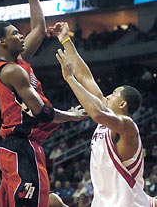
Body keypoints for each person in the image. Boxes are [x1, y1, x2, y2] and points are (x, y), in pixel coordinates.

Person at [0, 0, 86, 207]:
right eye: (15, 33)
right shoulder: (10, 71)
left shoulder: (18, 62)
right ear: (2, 42)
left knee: (46, 202)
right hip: (20, 146)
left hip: (25, 146)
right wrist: (72, 116)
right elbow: (43, 113)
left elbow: (39, 29)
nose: (21, 36)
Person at [50, 22, 155, 207]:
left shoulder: (128, 126)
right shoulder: (107, 117)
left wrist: (69, 79)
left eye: (113, 94)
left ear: (122, 104)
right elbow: (87, 77)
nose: (107, 95)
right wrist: (66, 40)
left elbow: (96, 114)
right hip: (103, 203)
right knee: (52, 201)